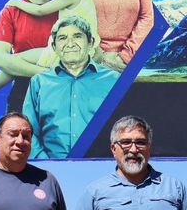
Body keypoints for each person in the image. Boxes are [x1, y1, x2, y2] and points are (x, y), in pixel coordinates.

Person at [22, 15, 120, 158]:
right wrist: (46, 165)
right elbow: (28, 131)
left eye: (77, 36)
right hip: (49, 167)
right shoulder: (39, 82)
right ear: (54, 47)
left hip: (101, 166)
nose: (70, 44)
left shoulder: (114, 81)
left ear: (91, 42)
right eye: (62, 38)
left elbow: (125, 130)